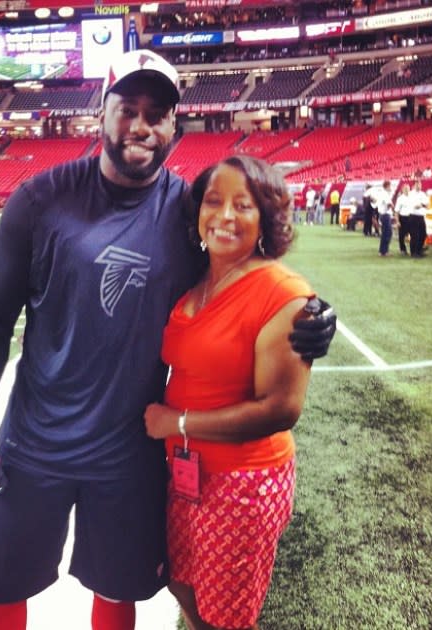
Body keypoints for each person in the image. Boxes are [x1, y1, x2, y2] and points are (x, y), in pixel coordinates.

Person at [0, 50, 337, 630]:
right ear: (101, 114)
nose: (140, 126)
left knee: (117, 592)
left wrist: (309, 312)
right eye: (127, 109)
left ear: (174, 127)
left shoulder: (186, 212)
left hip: (130, 449)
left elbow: (245, 270)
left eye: (156, 114)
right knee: (4, 587)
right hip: (35, 443)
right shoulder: (40, 199)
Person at [144, 155, 315, 630]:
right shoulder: (198, 281)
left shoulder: (279, 291)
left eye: (243, 205)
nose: (224, 216)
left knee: (229, 618)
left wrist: (175, 423)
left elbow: (281, 409)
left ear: (265, 220)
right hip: (187, 475)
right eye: (213, 202)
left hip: (242, 484)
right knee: (183, 585)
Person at [408, 179, 429, 257]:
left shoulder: (423, 194)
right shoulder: (410, 194)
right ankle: (413, 252)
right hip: (413, 216)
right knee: (414, 235)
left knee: (423, 234)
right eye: (417, 184)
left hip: (421, 216)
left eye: (420, 184)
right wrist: (418, 205)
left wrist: (422, 205)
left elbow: (427, 205)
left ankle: (419, 250)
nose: (419, 186)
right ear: (414, 185)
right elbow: (411, 205)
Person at [394, 182, 412, 255]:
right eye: (405, 189)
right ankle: (403, 250)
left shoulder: (412, 197)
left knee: (413, 234)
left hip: (411, 217)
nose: (407, 190)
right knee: (402, 235)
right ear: (402, 190)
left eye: (408, 188)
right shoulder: (400, 199)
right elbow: (396, 211)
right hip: (403, 218)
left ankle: (413, 249)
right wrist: (397, 221)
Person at [377, 180, 394, 256]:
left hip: (383, 214)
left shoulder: (383, 193)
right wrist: (392, 208)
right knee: (388, 233)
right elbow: (389, 204)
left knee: (385, 233)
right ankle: (384, 251)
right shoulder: (385, 194)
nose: (391, 187)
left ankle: (383, 250)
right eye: (390, 186)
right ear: (387, 186)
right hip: (385, 215)